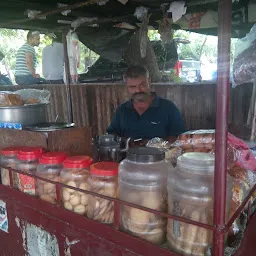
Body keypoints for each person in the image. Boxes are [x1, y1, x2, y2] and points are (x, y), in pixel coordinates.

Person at [107, 65, 185, 142]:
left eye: (142, 85)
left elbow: (180, 138)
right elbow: (112, 135)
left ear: (149, 81)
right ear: (126, 87)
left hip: (161, 154)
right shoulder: (122, 110)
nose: (138, 90)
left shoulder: (168, 108)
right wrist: (128, 141)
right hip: (128, 154)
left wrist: (150, 144)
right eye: (132, 87)